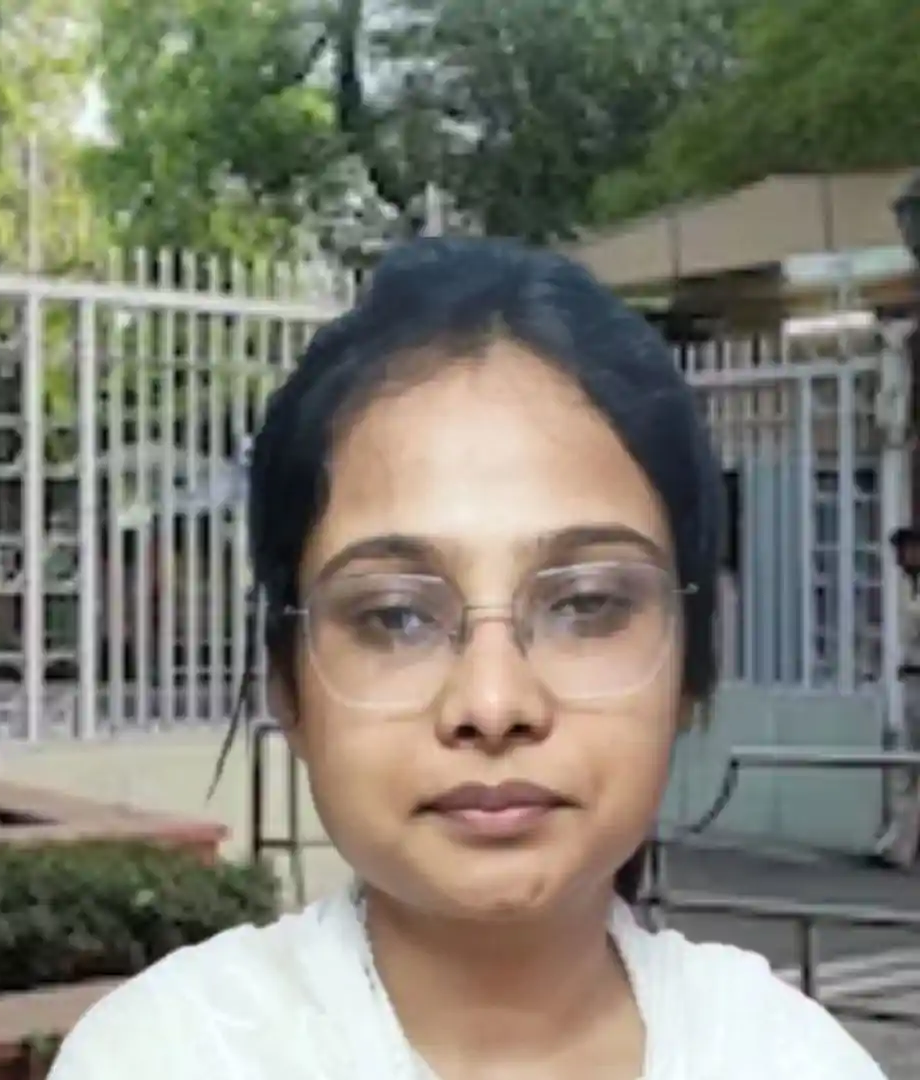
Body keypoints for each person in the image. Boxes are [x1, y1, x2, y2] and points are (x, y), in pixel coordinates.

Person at [47, 238, 888, 1079]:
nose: (492, 703)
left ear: (691, 670)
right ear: (287, 683)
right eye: (396, 616)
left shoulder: (792, 1062)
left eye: (586, 604)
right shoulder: (167, 1057)